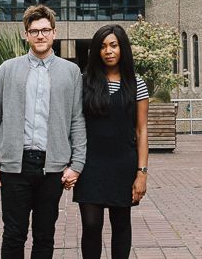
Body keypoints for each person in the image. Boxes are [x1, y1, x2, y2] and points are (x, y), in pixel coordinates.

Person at [0, 4, 87, 259]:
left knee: (44, 235)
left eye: (45, 30)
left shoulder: (71, 72)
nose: (40, 35)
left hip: (52, 168)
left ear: (54, 32)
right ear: (25, 35)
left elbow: (77, 119)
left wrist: (77, 164)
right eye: (34, 31)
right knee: (13, 234)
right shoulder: (7, 69)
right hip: (14, 167)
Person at [71, 24, 149, 259]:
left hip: (123, 165)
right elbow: (74, 123)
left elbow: (142, 130)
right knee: (91, 225)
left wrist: (142, 173)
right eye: (103, 46)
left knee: (121, 225)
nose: (109, 51)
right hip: (90, 165)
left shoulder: (137, 83)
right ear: (96, 51)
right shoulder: (84, 82)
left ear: (122, 48)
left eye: (114, 45)